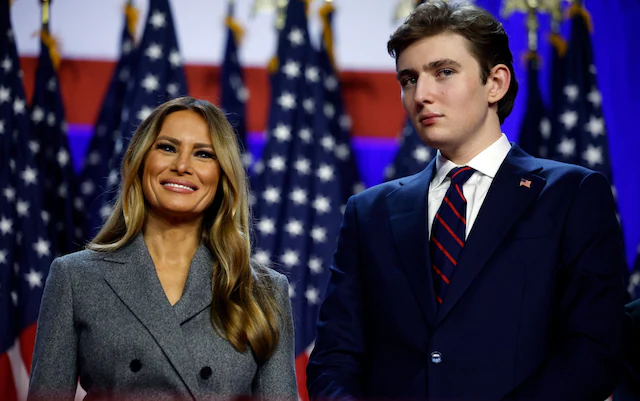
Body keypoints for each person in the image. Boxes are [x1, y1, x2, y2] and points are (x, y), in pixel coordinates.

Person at [306, 1, 627, 400]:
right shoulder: (369, 212)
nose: (421, 95)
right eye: (409, 79)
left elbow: (592, 351)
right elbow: (334, 360)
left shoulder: (571, 195)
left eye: (443, 72)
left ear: (496, 83)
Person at [28, 97, 298, 401]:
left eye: (203, 154)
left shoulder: (263, 290)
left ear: (222, 175)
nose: (181, 166)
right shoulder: (74, 277)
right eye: (167, 148)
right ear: (141, 161)